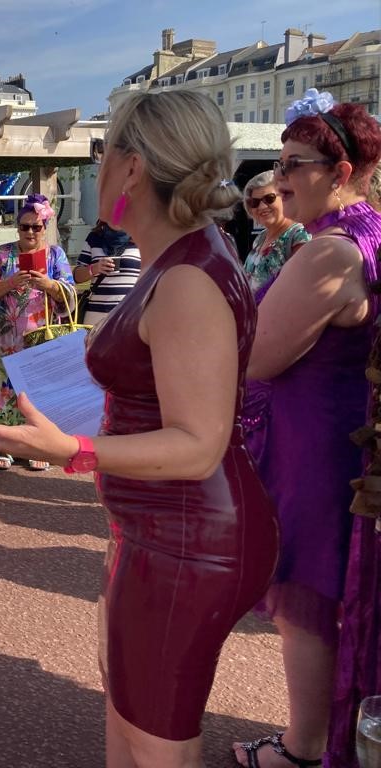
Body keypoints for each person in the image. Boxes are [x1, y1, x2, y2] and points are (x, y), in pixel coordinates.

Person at [0, 91, 278, 768]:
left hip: (188, 538)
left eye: (103, 153)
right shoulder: (184, 257)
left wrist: (73, 448)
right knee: (130, 719)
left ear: (132, 168)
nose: (97, 169)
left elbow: (198, 442)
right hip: (163, 529)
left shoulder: (187, 274)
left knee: (154, 740)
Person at [232, 92, 381, 768]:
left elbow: (260, 355)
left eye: (294, 163)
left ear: (340, 168)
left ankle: (302, 749)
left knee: (307, 597)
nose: (281, 177)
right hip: (345, 427)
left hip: (316, 443)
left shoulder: (330, 250)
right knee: (335, 592)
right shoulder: (371, 230)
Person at [0, 193, 74, 471]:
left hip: (41, 336)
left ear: (45, 228)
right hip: (4, 338)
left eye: (37, 226)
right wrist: (11, 282)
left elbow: (69, 292)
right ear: (18, 228)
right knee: (1, 391)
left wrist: (48, 284)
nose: (31, 232)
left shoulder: (55, 255)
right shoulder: (2, 253)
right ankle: (4, 445)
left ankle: (38, 446)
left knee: (38, 393)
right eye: (25, 226)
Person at [240, 170, 310, 293]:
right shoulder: (260, 238)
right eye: (254, 202)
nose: (261, 207)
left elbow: (300, 289)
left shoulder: (299, 236)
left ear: (285, 197)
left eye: (269, 198)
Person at [72, 221, 141, 326]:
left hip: (130, 316)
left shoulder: (142, 238)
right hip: (96, 318)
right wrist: (94, 268)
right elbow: (76, 276)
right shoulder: (94, 238)